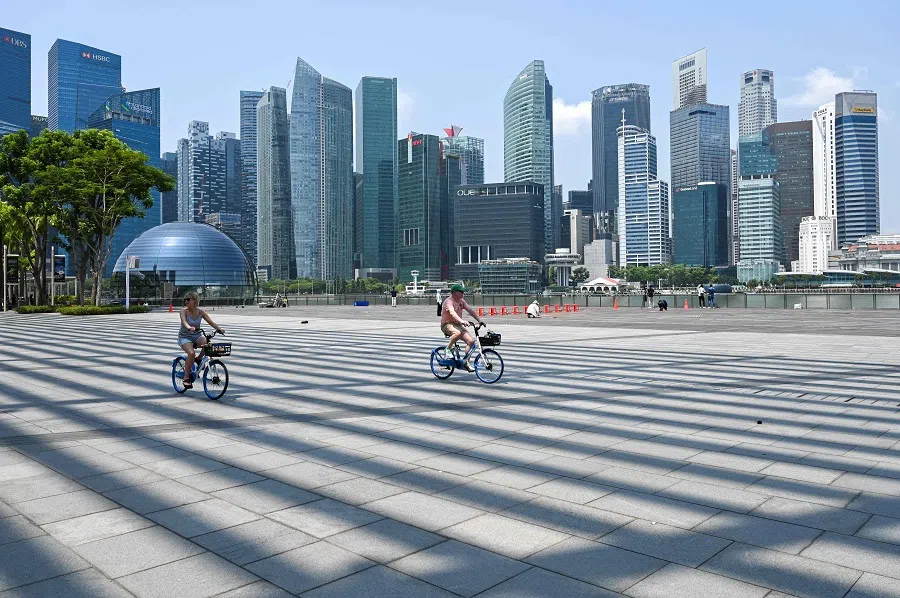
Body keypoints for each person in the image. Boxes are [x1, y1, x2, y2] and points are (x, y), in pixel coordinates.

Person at [178, 291, 224, 388]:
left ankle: (199, 359)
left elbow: (211, 322)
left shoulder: (201, 312)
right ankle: (186, 377)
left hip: (196, 336)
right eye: (185, 299)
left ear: (195, 301)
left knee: (207, 343)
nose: (186, 301)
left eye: (188, 299)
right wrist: (189, 327)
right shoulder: (183, 311)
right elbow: (184, 321)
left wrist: (218, 329)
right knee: (191, 353)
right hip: (184, 337)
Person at [441, 283, 485, 371]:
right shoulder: (448, 301)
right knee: (457, 333)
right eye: (461, 292)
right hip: (446, 324)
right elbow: (452, 313)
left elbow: (470, 310)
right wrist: (462, 321)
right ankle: (447, 349)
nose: (463, 293)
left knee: (471, 341)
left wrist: (479, 320)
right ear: (455, 293)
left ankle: (466, 363)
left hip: (457, 325)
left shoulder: (461, 301)